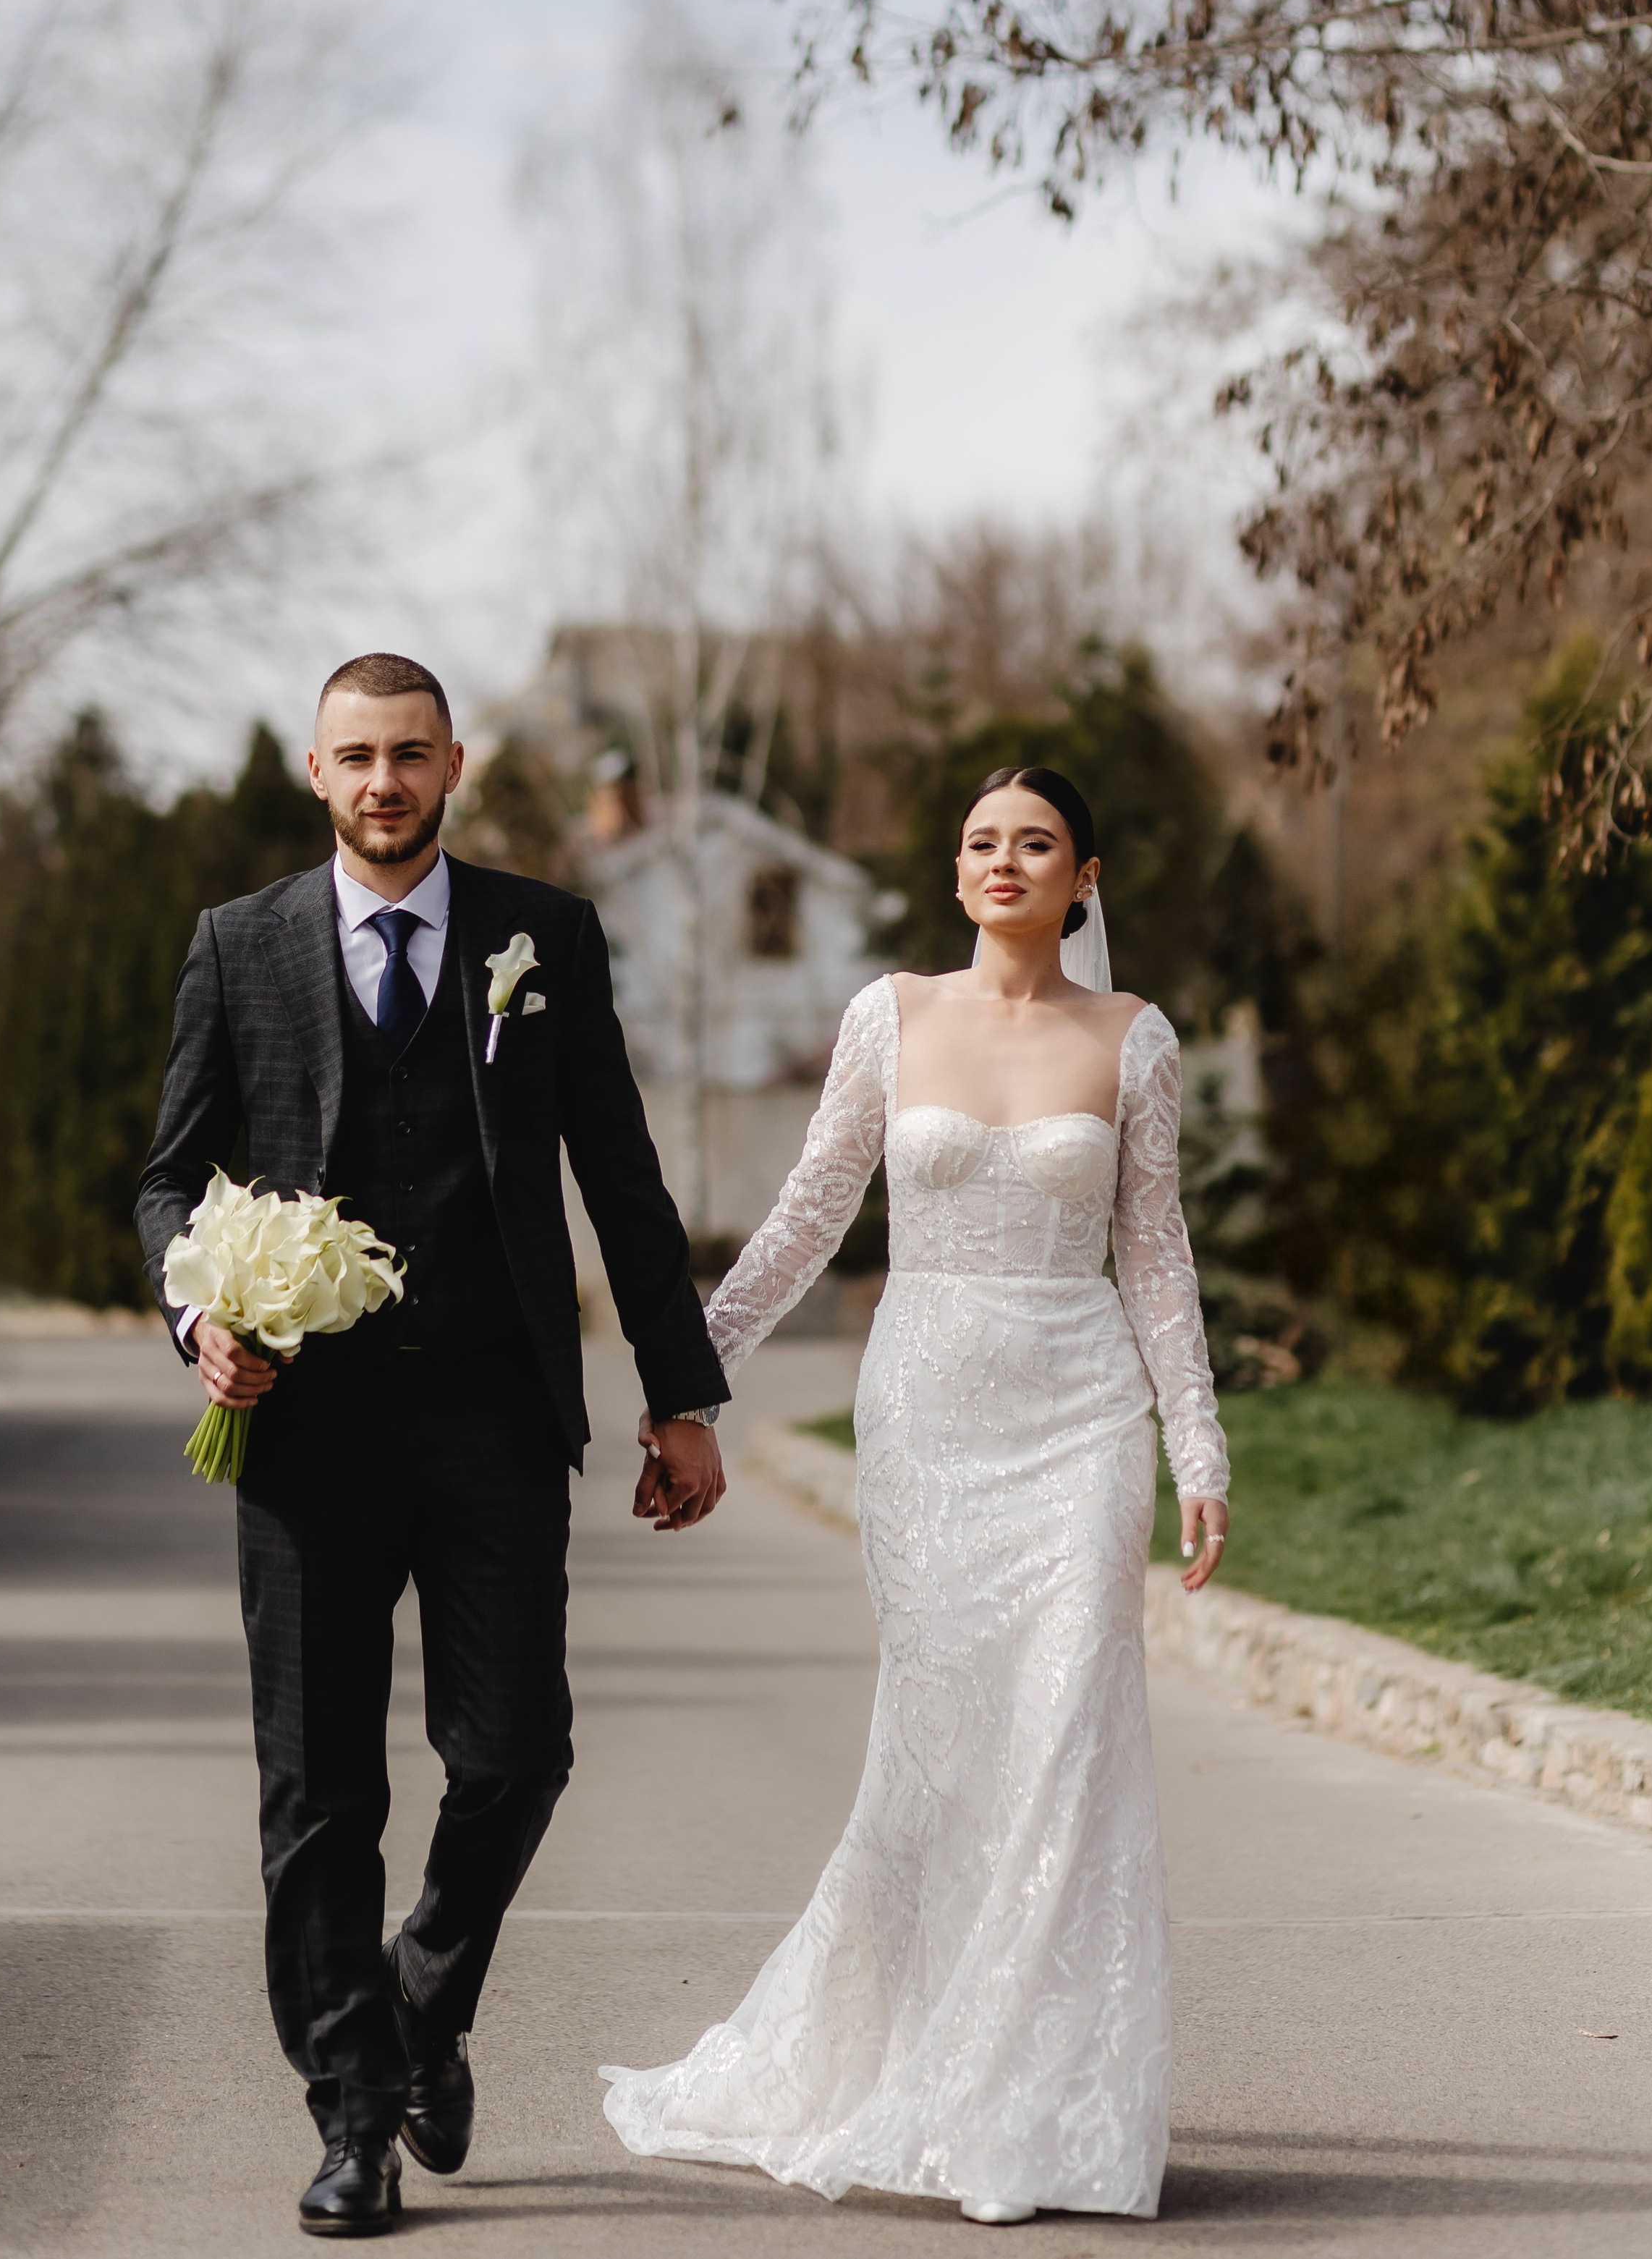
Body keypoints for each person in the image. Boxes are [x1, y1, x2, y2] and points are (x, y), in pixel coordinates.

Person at [135, 652, 729, 2239]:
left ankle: (420, 1997)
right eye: (356, 757)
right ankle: (351, 2118)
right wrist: (202, 1320)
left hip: (487, 1414)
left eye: (410, 754)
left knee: (515, 1750)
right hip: (303, 1433)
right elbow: (167, 1182)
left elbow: (619, 1174)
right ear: (314, 774)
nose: (384, 781)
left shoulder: (546, 936)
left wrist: (681, 1394)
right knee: (318, 1793)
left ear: (452, 763)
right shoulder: (237, 947)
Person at [602, 765, 1230, 2226]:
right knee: (944, 1751)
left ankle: (1034, 2105)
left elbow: (1154, 1255)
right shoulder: (888, 1016)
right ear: (955, 875)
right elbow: (814, 1204)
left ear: (1085, 876)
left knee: (1066, 1733)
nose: (1000, 861)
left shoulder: (1134, 1042)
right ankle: (916, 2062)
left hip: (1078, 1413)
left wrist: (1194, 1447)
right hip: (928, 1412)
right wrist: (692, 1373)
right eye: (977, 843)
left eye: (1033, 844)